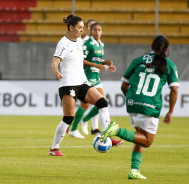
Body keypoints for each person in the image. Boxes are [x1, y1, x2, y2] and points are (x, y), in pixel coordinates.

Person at [100, 35, 179, 179]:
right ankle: (116, 129)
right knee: (147, 141)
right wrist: (171, 111)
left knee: (139, 138)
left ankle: (134, 170)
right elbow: (174, 90)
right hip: (150, 106)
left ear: (151, 46)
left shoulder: (138, 60)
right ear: (166, 49)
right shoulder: (169, 64)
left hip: (132, 102)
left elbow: (124, 86)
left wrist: (132, 100)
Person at [49, 15, 113, 157]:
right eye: (79, 27)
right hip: (68, 84)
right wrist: (56, 72)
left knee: (102, 102)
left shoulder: (79, 41)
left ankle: (106, 135)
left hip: (82, 82)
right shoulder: (63, 43)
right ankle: (54, 148)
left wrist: (102, 63)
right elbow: (55, 61)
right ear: (71, 27)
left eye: (83, 28)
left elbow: (84, 59)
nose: (81, 30)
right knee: (68, 117)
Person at [69, 23, 124, 146]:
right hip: (87, 78)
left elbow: (95, 59)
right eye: (95, 30)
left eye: (99, 30)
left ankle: (93, 126)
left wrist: (105, 63)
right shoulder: (88, 43)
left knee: (103, 102)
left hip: (96, 78)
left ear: (102, 31)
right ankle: (74, 129)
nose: (97, 32)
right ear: (91, 31)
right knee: (85, 104)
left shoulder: (101, 44)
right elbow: (81, 60)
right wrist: (97, 65)